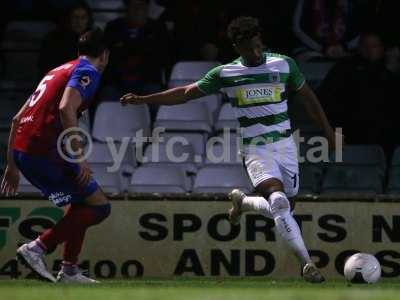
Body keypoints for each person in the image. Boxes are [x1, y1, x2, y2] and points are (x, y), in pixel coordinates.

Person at [121, 16, 337, 283]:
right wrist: (144, 99)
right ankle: (307, 264)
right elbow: (186, 93)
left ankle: (244, 203)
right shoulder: (226, 73)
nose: (256, 53)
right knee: (279, 202)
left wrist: (328, 132)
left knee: (286, 207)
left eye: (259, 46)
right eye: (249, 49)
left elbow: (310, 100)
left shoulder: (284, 64)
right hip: (255, 149)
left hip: (285, 147)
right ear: (238, 47)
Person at [1, 28, 110, 284]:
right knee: (100, 206)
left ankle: (70, 270)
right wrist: (79, 156)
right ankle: (36, 248)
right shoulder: (88, 72)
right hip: (43, 150)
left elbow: (17, 119)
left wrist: (11, 164)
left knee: (81, 203)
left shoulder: (56, 71)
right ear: (104, 55)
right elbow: (65, 108)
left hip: (25, 150)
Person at [318, 31, 399, 158]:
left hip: (384, 135)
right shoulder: (344, 68)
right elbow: (326, 98)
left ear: (382, 49)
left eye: (374, 46)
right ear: (359, 48)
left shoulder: (391, 71)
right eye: (365, 46)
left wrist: (390, 72)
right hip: (350, 131)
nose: (369, 51)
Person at [104, 0, 169, 95]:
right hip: (117, 82)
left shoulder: (158, 28)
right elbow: (108, 59)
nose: (138, 9)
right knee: (108, 94)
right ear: (127, 8)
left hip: (148, 81)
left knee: (155, 95)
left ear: (147, 8)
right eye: (134, 5)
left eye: (141, 5)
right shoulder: (113, 27)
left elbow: (162, 58)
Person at [292, 0, 361, 62]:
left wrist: (345, 46)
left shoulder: (353, 3)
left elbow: (363, 29)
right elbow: (297, 29)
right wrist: (322, 48)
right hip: (312, 50)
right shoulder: (304, 2)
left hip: (347, 49)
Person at [38, 0, 93, 76]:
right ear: (68, 18)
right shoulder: (53, 39)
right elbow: (47, 66)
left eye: (83, 17)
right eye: (75, 17)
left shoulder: (94, 39)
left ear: (88, 20)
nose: (79, 21)